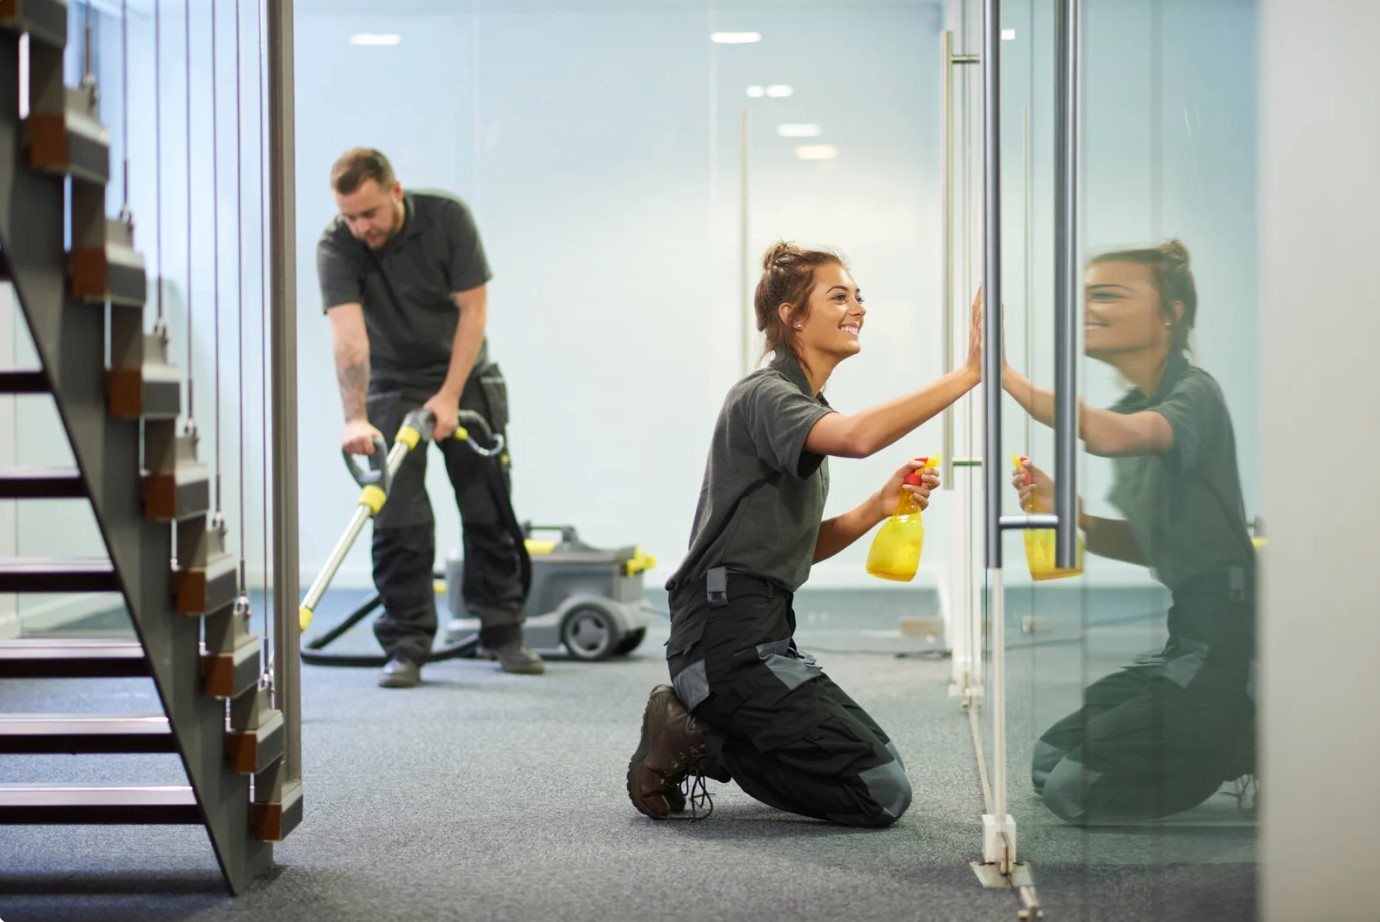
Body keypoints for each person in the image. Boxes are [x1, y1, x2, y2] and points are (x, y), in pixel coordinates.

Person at [626, 242, 983, 826]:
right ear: (792, 316)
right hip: (722, 645)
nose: (858, 308)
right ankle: (696, 736)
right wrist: (969, 373)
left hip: (762, 634)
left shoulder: (801, 401)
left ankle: (705, 729)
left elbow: (787, 549)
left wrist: (877, 507)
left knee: (881, 768)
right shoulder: (765, 394)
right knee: (879, 792)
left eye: (859, 296)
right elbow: (859, 437)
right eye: (838, 297)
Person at [1004, 239, 1256, 823]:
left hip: (1226, 641)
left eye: (1108, 295)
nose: (1087, 309)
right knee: (1049, 762)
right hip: (1185, 636)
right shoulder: (1136, 403)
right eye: (1085, 296)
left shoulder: (1194, 394)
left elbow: (1108, 434)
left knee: (1075, 791)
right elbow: (1156, 545)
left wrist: (1003, 376)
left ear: (1170, 313)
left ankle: (1243, 736)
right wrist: (1078, 519)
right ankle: (1222, 726)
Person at [316, 147, 543, 688]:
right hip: (392, 384)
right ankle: (406, 645)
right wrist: (355, 417)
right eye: (350, 216)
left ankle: (502, 633)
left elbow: (473, 311)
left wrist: (449, 395)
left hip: (465, 375)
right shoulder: (337, 245)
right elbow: (348, 340)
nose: (360, 227)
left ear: (395, 192)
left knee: (488, 510)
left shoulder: (446, 218)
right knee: (398, 519)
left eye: (369, 213)